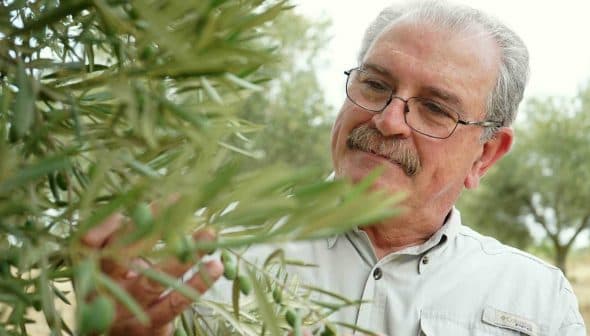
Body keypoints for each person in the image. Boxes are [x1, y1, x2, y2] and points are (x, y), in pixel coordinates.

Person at [82, 1, 587, 335]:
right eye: (374, 84)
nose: (389, 120)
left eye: (435, 108)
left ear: (485, 155)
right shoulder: (212, 251)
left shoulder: (537, 301)